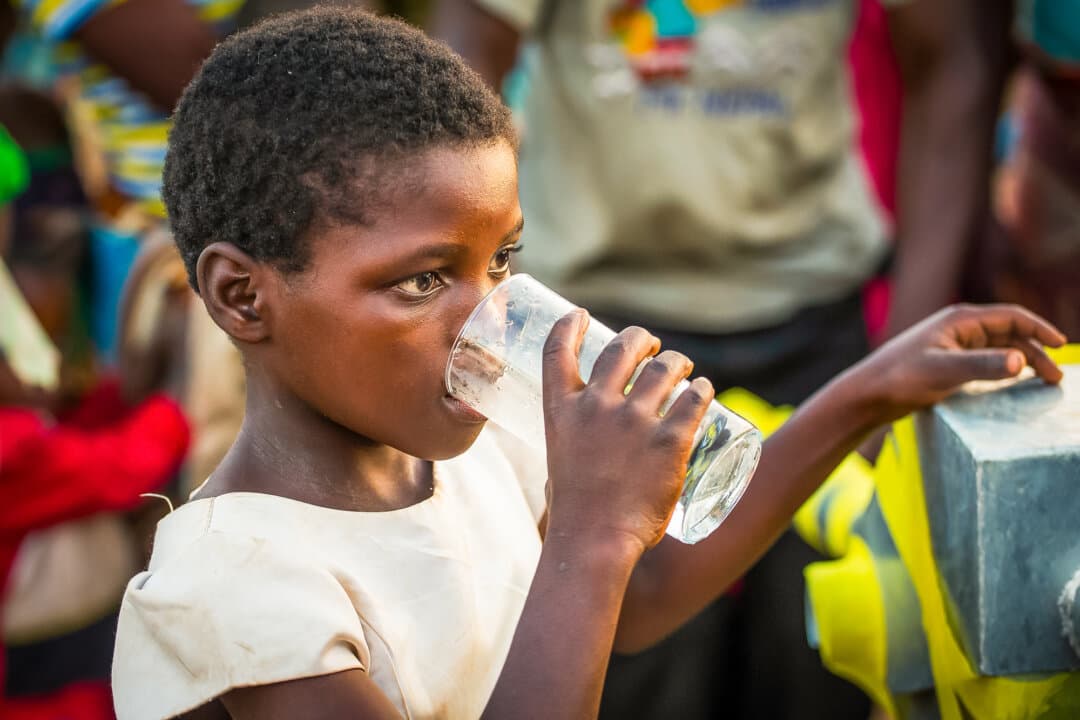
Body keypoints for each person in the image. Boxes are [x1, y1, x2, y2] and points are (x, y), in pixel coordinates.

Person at [109, 9, 1067, 720]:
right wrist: (596, 535)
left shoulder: (468, 453)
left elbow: (640, 600)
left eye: (502, 263)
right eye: (419, 282)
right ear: (243, 296)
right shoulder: (234, 587)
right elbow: (603, 570)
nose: (487, 316)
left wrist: (869, 389)